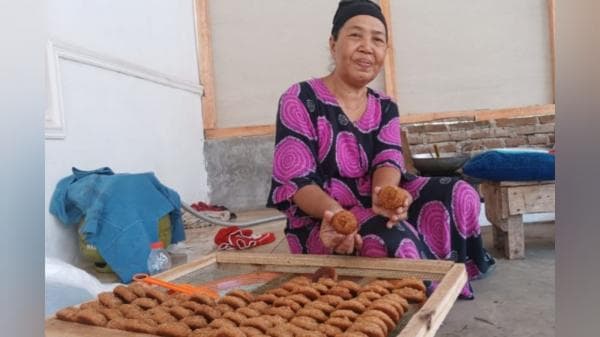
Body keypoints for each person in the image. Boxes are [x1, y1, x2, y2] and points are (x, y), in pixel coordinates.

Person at [266, 0, 495, 299]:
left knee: (462, 192)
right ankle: (422, 280)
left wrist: (384, 198)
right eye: (355, 35)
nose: (366, 47)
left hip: (369, 200)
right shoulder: (299, 98)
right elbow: (297, 182)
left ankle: (446, 268)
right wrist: (336, 217)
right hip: (323, 217)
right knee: (393, 240)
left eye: (377, 39)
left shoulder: (385, 105)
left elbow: (388, 159)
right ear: (333, 43)